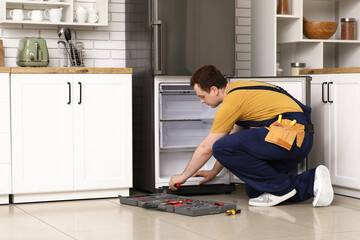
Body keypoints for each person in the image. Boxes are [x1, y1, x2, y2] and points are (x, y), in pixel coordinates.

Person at [169, 65, 334, 207]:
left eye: (202, 96)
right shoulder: (241, 89)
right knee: (255, 190)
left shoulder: (232, 102)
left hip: (288, 136)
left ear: (213, 89)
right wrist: (213, 172)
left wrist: (184, 176)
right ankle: (312, 182)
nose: (202, 102)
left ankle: (283, 188)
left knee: (219, 147)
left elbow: (208, 148)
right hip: (297, 139)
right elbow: (231, 140)